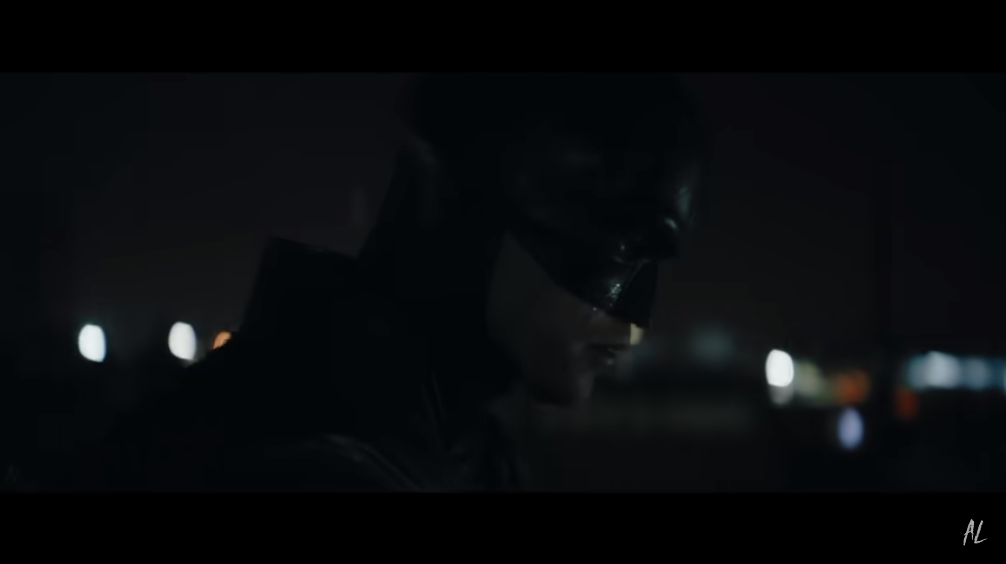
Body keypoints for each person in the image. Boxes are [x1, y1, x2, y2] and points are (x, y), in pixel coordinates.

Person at [67, 72, 706, 491]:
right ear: (450, 192)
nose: (634, 322)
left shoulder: (465, 456)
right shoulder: (285, 463)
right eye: (623, 240)